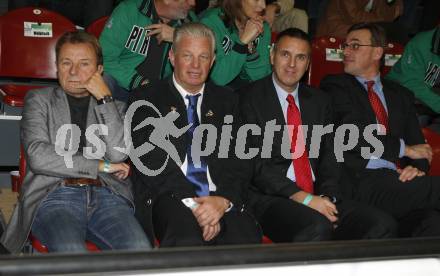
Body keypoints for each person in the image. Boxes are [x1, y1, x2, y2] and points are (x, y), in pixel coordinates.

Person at [238, 28, 397, 242]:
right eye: (285, 54)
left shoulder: (319, 101)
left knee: (381, 225)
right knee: (316, 226)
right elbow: (253, 165)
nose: (292, 64)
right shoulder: (247, 98)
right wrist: (304, 199)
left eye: (300, 57)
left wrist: (326, 195)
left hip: (316, 194)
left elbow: (330, 156)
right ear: (272, 56)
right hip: (270, 197)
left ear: (308, 63)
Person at [0, 31, 152, 253]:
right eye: (66, 63)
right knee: (71, 251)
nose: (73, 72)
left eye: (84, 64)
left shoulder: (116, 108)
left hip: (107, 195)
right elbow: (38, 155)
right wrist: (100, 165)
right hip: (54, 195)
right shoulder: (39, 100)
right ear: (57, 67)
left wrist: (105, 99)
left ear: (99, 70)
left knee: (139, 249)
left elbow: (119, 153)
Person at [128, 22, 261, 247]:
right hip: (169, 195)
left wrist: (222, 201)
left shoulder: (228, 101)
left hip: (220, 196)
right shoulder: (146, 98)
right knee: (186, 238)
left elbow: (242, 158)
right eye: (187, 56)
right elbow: (152, 161)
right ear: (172, 57)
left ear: (213, 60)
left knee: (244, 240)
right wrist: (196, 205)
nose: (195, 65)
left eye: (203, 57)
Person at [320, 23, 440, 237]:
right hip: (361, 179)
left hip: (398, 181)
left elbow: (419, 145)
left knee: (432, 223)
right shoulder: (335, 86)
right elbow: (352, 134)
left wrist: (417, 168)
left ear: (377, 52)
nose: (346, 51)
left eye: (355, 46)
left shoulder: (400, 94)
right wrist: (404, 150)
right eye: (345, 46)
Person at [99, 0, 197, 102]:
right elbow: (104, 58)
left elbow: (202, 57)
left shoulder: (189, 22)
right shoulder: (130, 10)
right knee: (104, 78)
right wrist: (139, 82)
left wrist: (179, 37)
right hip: (123, 87)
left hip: (161, 94)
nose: (192, 3)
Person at [200, 0, 271, 88]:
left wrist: (250, 49)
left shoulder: (262, 27)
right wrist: (242, 43)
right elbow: (219, 78)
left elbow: (262, 79)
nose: (263, 6)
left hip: (250, 94)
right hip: (217, 95)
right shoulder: (211, 22)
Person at [387, 25, 440, 131]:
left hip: (430, 97)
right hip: (403, 95)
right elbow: (411, 84)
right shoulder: (421, 43)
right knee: (414, 123)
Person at [316, 0, 407, 43]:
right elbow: (353, 17)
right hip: (337, 31)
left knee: (398, 32)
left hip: (364, 30)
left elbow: (396, 12)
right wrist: (383, 18)